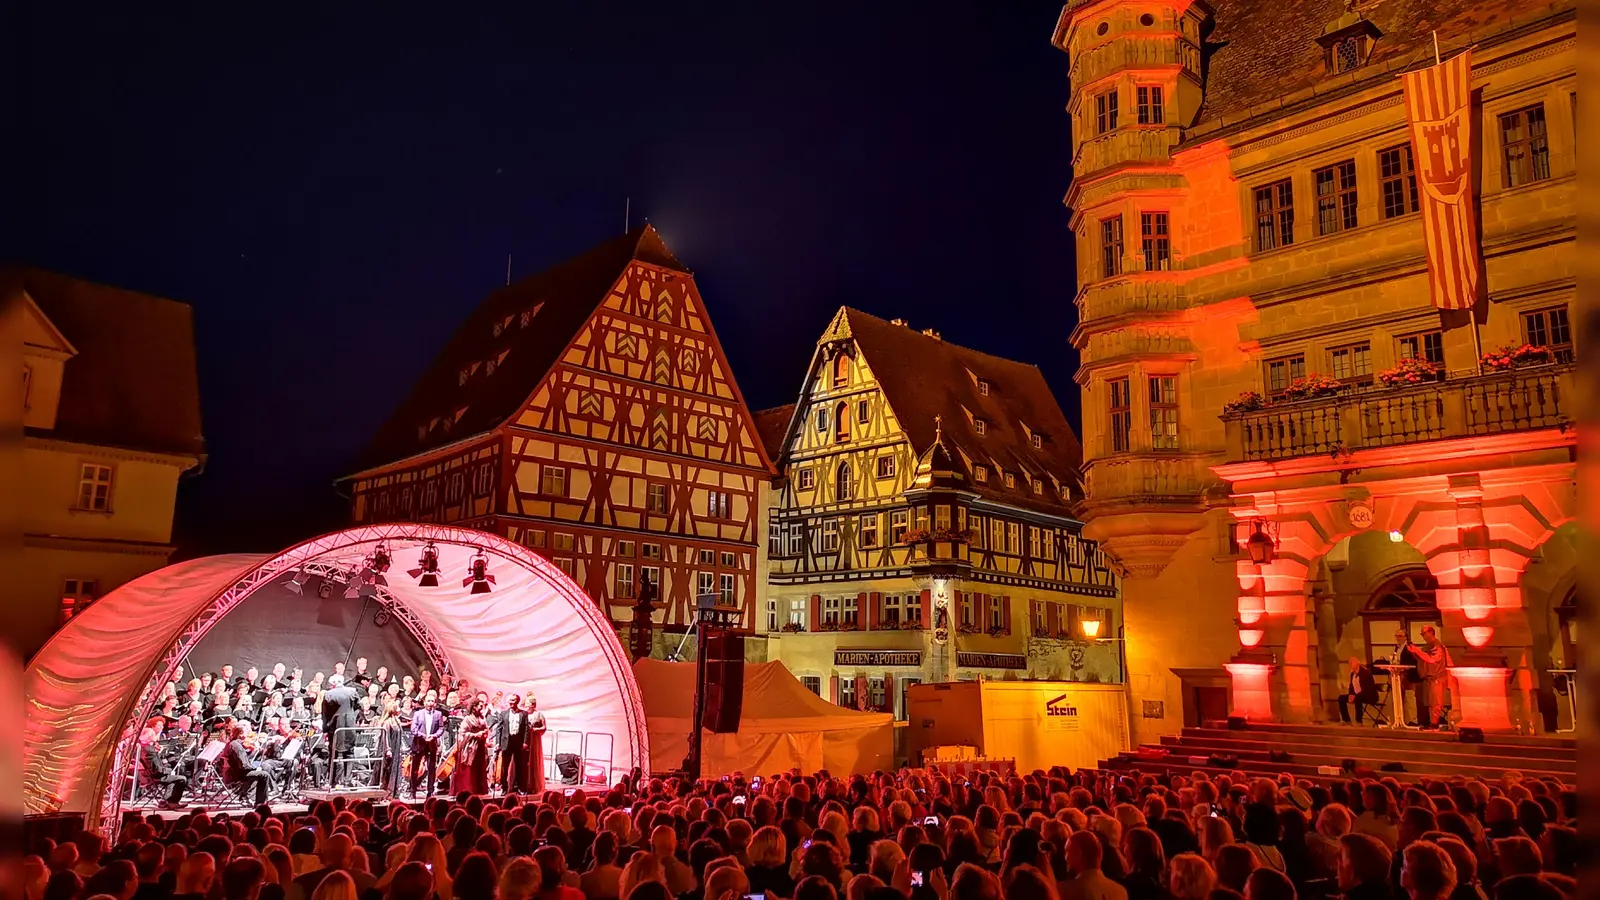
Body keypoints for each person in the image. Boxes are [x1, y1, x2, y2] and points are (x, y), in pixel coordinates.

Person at [1406, 626, 1454, 730]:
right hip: (1429, 678)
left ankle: (1434, 724)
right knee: (1431, 703)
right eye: (1422, 634)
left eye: (1424, 633)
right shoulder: (1429, 646)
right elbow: (1423, 658)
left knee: (1436, 702)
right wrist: (1414, 651)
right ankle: (1432, 723)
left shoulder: (1437, 646)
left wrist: (1417, 651)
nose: (1423, 636)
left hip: (1437, 678)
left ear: (1431, 633)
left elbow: (1432, 659)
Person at [318, 675, 361, 786]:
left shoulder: (329, 694)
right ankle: (348, 780)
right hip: (350, 725)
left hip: (336, 726)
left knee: (335, 754)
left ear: (332, 684)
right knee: (350, 753)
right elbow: (358, 706)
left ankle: (333, 781)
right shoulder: (352, 692)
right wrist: (352, 717)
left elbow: (325, 713)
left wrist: (325, 728)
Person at [1056, 831, 1125, 900]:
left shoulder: (1064, 890)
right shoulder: (1120, 891)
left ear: (1079, 854)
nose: (1065, 857)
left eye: (1067, 851)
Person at [222, 724, 272, 806]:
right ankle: (261, 803)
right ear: (240, 734)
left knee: (261, 773)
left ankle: (251, 798)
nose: (248, 734)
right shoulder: (237, 746)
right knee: (264, 775)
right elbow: (244, 765)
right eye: (246, 732)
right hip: (239, 775)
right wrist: (255, 769)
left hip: (236, 773)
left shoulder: (233, 743)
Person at [409, 694, 447, 799]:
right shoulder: (418, 713)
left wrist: (433, 736)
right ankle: (413, 790)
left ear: (434, 703)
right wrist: (423, 736)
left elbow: (441, 728)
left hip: (431, 744)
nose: (430, 703)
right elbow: (413, 729)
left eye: (432, 701)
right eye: (428, 701)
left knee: (431, 769)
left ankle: (430, 791)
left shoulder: (438, 714)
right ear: (424, 702)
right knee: (415, 768)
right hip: (419, 743)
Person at [451, 699, 490, 796]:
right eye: (479, 706)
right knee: (470, 770)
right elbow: (462, 733)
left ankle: (479, 789)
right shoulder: (467, 719)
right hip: (470, 748)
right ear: (473, 707)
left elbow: (485, 728)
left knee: (480, 768)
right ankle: (468, 790)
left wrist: (485, 733)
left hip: (480, 747)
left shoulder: (482, 717)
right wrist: (476, 735)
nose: (481, 708)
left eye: (482, 706)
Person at [498, 696, 535, 794]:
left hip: (518, 742)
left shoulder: (523, 714)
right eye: (510, 700)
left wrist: (525, 742)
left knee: (519, 766)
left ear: (517, 701)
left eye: (513, 700)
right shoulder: (503, 714)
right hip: (507, 742)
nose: (511, 702)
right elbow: (499, 729)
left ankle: (518, 787)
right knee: (504, 767)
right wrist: (498, 743)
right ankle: (504, 788)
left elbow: (527, 729)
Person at [377, 697, 407, 798]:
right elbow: (385, 737)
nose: (399, 709)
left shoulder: (397, 721)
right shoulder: (387, 722)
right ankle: (385, 793)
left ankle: (394, 792)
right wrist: (388, 749)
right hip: (389, 750)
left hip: (396, 749)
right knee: (387, 771)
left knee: (395, 770)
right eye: (398, 708)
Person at [1340, 658, 1382, 725]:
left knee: (1358, 698)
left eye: (1352, 663)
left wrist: (1356, 696)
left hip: (1369, 695)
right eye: (1350, 664)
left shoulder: (1366, 673)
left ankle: (1358, 721)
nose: (1350, 665)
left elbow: (1368, 689)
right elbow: (1351, 686)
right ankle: (1346, 720)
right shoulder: (1352, 674)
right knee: (1341, 698)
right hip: (1357, 695)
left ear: (1357, 664)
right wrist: (1351, 694)